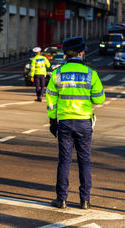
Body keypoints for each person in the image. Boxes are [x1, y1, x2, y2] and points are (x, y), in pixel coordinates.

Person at [45, 36, 105, 210]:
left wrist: (52, 120)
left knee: (64, 161)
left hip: (64, 122)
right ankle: (84, 201)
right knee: (84, 160)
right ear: (82, 53)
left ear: (65, 55)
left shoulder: (57, 73)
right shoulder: (91, 74)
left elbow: (50, 99)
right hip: (84, 122)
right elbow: (99, 99)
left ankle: (61, 199)